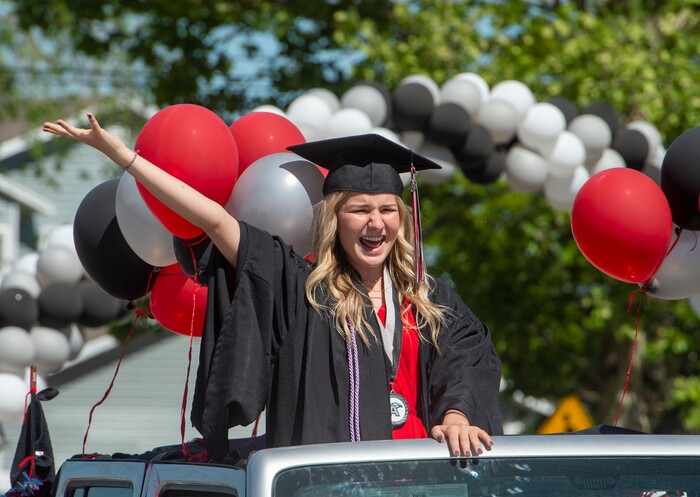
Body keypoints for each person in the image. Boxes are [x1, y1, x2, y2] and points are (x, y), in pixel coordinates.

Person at [43, 114, 503, 462]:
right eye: (359, 210)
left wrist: (458, 415)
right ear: (334, 219)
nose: (375, 223)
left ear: (401, 219)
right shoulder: (301, 291)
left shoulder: (431, 300)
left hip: (419, 480)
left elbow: (467, 363)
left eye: (387, 209)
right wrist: (126, 158)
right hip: (327, 484)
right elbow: (215, 220)